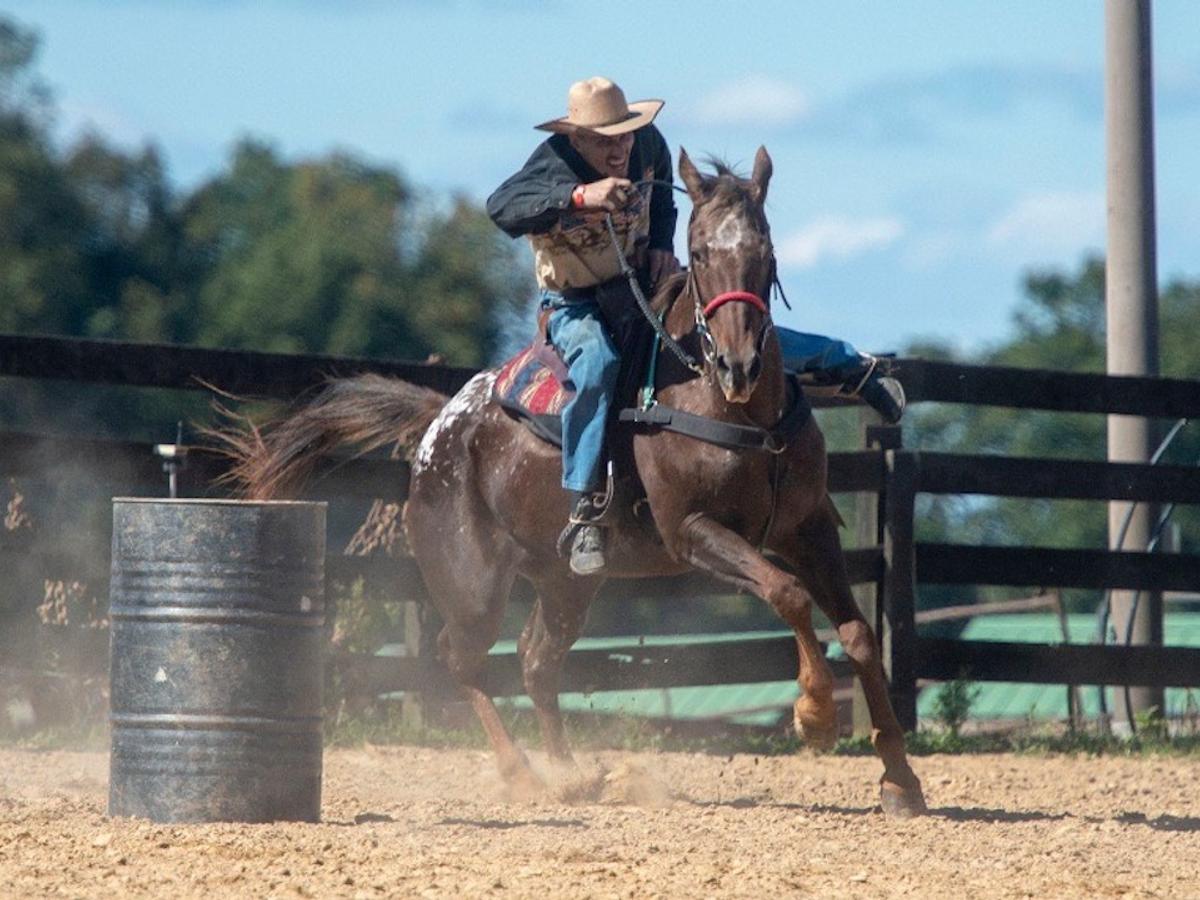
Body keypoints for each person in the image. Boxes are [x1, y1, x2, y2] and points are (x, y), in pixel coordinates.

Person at [487, 77, 904, 577]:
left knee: (729, 331)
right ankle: (586, 511)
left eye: (622, 134)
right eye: (604, 140)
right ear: (577, 140)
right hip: (577, 303)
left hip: (643, 284)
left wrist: (662, 243)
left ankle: (849, 365)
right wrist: (580, 197)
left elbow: (664, 203)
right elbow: (503, 207)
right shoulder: (551, 164)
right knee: (597, 365)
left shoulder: (648, 146)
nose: (619, 147)